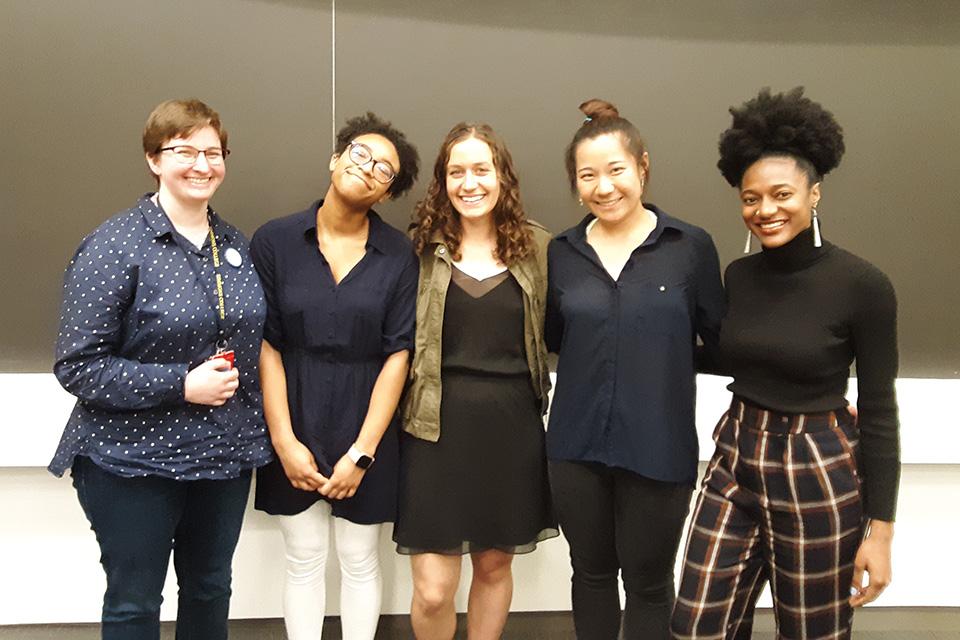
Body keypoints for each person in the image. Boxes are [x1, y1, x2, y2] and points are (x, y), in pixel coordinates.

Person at [671, 87, 900, 640]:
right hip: (736, 454)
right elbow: (734, 356)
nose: (764, 211)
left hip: (816, 466)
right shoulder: (740, 277)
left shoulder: (863, 284)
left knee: (810, 631)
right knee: (696, 625)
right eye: (751, 199)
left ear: (814, 193)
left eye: (781, 194)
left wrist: (881, 533)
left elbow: (879, 413)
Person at [49, 98, 270, 639]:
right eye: (184, 151)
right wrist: (181, 384)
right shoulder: (114, 245)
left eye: (213, 152)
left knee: (211, 588)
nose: (202, 164)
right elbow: (78, 366)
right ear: (154, 159)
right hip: (132, 463)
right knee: (134, 603)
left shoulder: (235, 245)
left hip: (221, 459)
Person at [545, 99, 725, 640]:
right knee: (592, 574)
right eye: (587, 175)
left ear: (642, 167)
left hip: (658, 446)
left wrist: (661, 355)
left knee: (649, 583)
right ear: (576, 184)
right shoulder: (562, 252)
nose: (604, 187)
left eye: (616, 170)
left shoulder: (689, 247)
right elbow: (556, 338)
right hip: (574, 447)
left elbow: (722, 342)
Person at [250, 112, 419, 640]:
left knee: (359, 556)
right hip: (292, 413)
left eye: (385, 171)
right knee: (302, 556)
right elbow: (267, 344)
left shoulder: (399, 254)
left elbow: (399, 354)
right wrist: (284, 442)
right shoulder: (275, 240)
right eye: (360, 155)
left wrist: (362, 453)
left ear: (388, 193)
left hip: (366, 418)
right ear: (336, 158)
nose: (368, 169)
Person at [396, 122, 558, 640]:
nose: (470, 182)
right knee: (433, 590)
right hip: (433, 431)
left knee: (493, 568)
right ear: (442, 181)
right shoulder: (418, 250)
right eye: (456, 171)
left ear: (502, 176)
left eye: (481, 169)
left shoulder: (540, 248)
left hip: (512, 432)